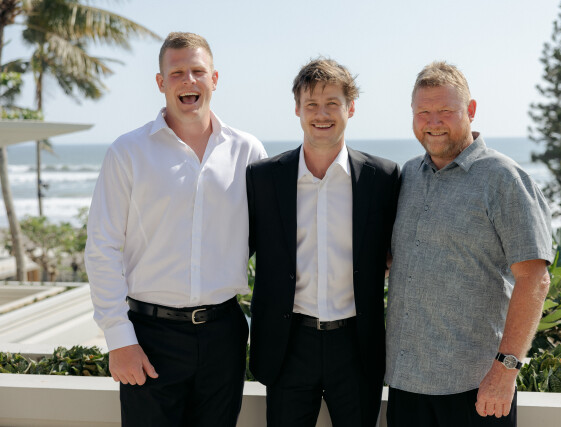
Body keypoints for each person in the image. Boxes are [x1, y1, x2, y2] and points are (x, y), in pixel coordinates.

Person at [84, 32, 267, 427]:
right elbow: (102, 247)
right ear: (160, 82)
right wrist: (119, 339)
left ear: (214, 79)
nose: (189, 80)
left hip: (224, 334)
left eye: (198, 71)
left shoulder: (248, 151)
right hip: (150, 336)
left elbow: (271, 236)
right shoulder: (127, 151)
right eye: (177, 72)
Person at [385, 61, 553, 427]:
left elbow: (534, 279)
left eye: (446, 110)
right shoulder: (408, 175)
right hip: (405, 383)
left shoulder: (504, 178)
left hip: (477, 388)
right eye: (423, 112)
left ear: (471, 110)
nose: (433, 122)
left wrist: (506, 371)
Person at [246, 58, 400, 427]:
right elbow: (235, 246)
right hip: (288, 346)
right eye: (311, 104)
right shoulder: (262, 178)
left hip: (356, 347)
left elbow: (399, 249)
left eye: (333, 103)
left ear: (351, 107)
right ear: (297, 108)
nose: (321, 114)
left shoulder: (383, 177)